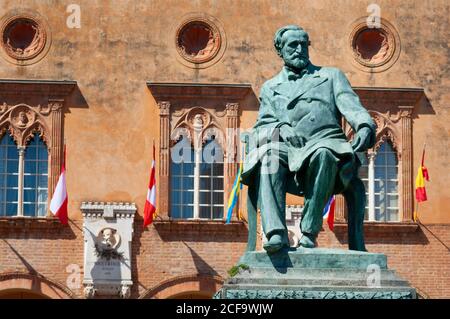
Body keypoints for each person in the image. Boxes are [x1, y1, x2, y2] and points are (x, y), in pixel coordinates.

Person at [241, 25, 376, 253]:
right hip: (291, 150)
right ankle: (275, 234)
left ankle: (309, 232)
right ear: (280, 50)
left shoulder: (330, 76)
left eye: (304, 44)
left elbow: (353, 108)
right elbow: (260, 128)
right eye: (293, 45)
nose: (300, 49)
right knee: (268, 157)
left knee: (324, 153)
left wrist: (364, 126)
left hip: (327, 142)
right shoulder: (271, 87)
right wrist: (281, 127)